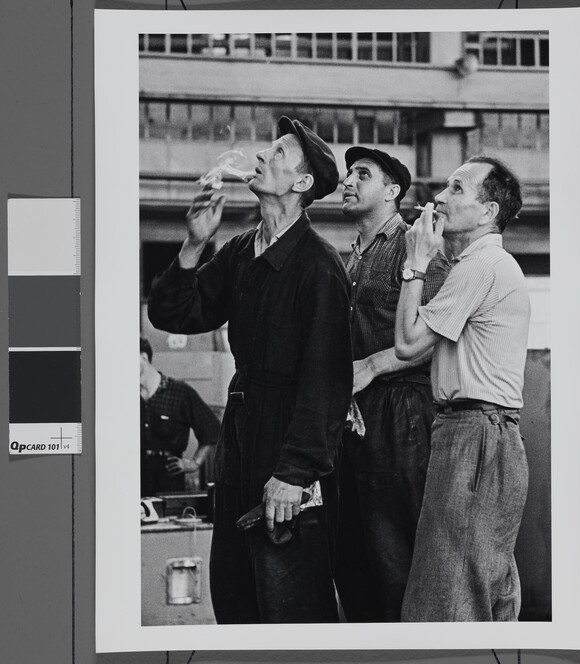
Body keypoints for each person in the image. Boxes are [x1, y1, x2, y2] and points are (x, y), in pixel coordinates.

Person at [147, 117, 352, 624]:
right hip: (242, 436)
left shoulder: (319, 267)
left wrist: (293, 473)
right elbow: (175, 314)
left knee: (289, 593)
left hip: (287, 445)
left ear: (302, 184)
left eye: (278, 154)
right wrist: (195, 245)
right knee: (235, 590)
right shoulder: (241, 251)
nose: (262, 157)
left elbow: (325, 384)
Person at [395, 156, 531, 622]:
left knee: (448, 593)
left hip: (474, 434)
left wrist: (415, 263)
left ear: (489, 211)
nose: (439, 198)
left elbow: (409, 341)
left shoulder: (480, 266)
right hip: (487, 435)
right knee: (487, 582)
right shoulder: (485, 265)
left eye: (456, 189)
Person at [334, 147, 449, 622]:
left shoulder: (416, 246)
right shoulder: (351, 258)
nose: (348, 181)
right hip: (354, 422)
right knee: (355, 563)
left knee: (397, 562)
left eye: (363, 174)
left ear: (393, 192)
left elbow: (444, 329)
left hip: (405, 418)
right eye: (347, 175)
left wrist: (374, 365)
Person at [140, 336, 219, 496]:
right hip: (134, 478)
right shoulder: (123, 397)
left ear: (144, 357)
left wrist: (194, 463)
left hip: (169, 482)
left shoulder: (179, 392)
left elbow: (212, 429)